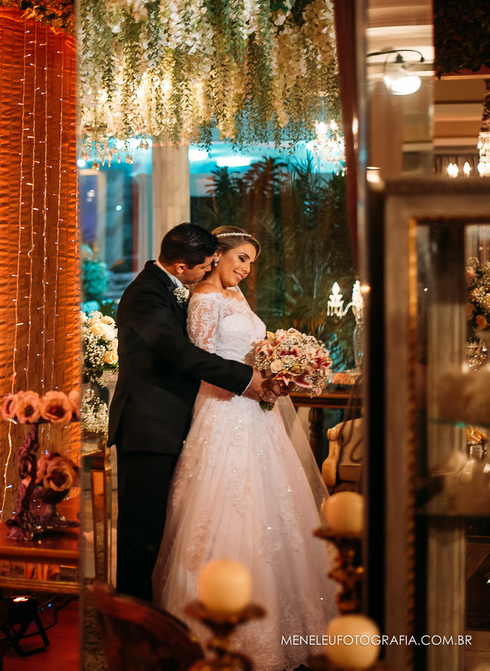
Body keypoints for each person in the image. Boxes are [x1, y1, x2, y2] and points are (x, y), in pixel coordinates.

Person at [152, 226, 337, 670]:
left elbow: (254, 351)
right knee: (226, 509)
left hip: (258, 413)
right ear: (216, 257)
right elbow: (200, 363)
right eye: (241, 259)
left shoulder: (237, 298)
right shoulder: (203, 300)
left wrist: (281, 369)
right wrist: (250, 383)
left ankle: (282, 613)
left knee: (276, 510)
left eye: (252, 262)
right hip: (222, 413)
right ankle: (216, 625)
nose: (246, 269)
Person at [107, 223, 267, 602]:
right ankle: (132, 621)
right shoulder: (146, 295)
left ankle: (147, 611)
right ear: (181, 267)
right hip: (148, 427)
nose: (207, 272)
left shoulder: (167, 287)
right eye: (204, 265)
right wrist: (245, 378)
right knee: (140, 530)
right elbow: (180, 353)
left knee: (160, 526)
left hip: (171, 422)